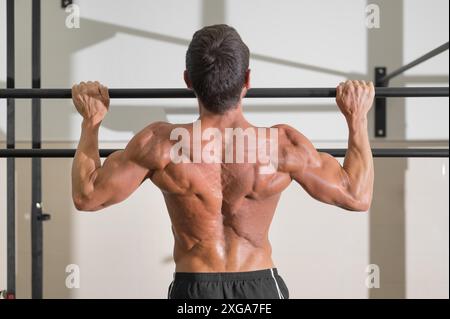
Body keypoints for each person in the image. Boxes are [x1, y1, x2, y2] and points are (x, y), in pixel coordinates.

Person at [71, 24, 374, 299]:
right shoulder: (280, 146)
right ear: (248, 79)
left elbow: (87, 196)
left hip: (193, 291)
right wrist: (356, 119)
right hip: (260, 289)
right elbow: (357, 196)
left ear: (188, 80)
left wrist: (91, 121)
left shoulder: (159, 143)